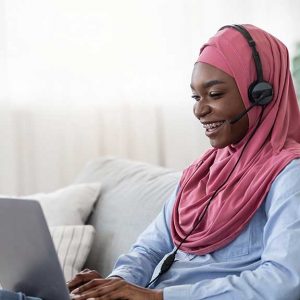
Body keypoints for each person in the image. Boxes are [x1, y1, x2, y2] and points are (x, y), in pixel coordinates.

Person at [13, 24, 299, 300]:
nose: (199, 110)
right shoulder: (202, 172)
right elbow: (149, 249)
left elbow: (283, 282)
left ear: (262, 94)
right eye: (195, 96)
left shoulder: (289, 174)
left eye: (214, 94)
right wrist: (116, 284)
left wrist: (158, 297)